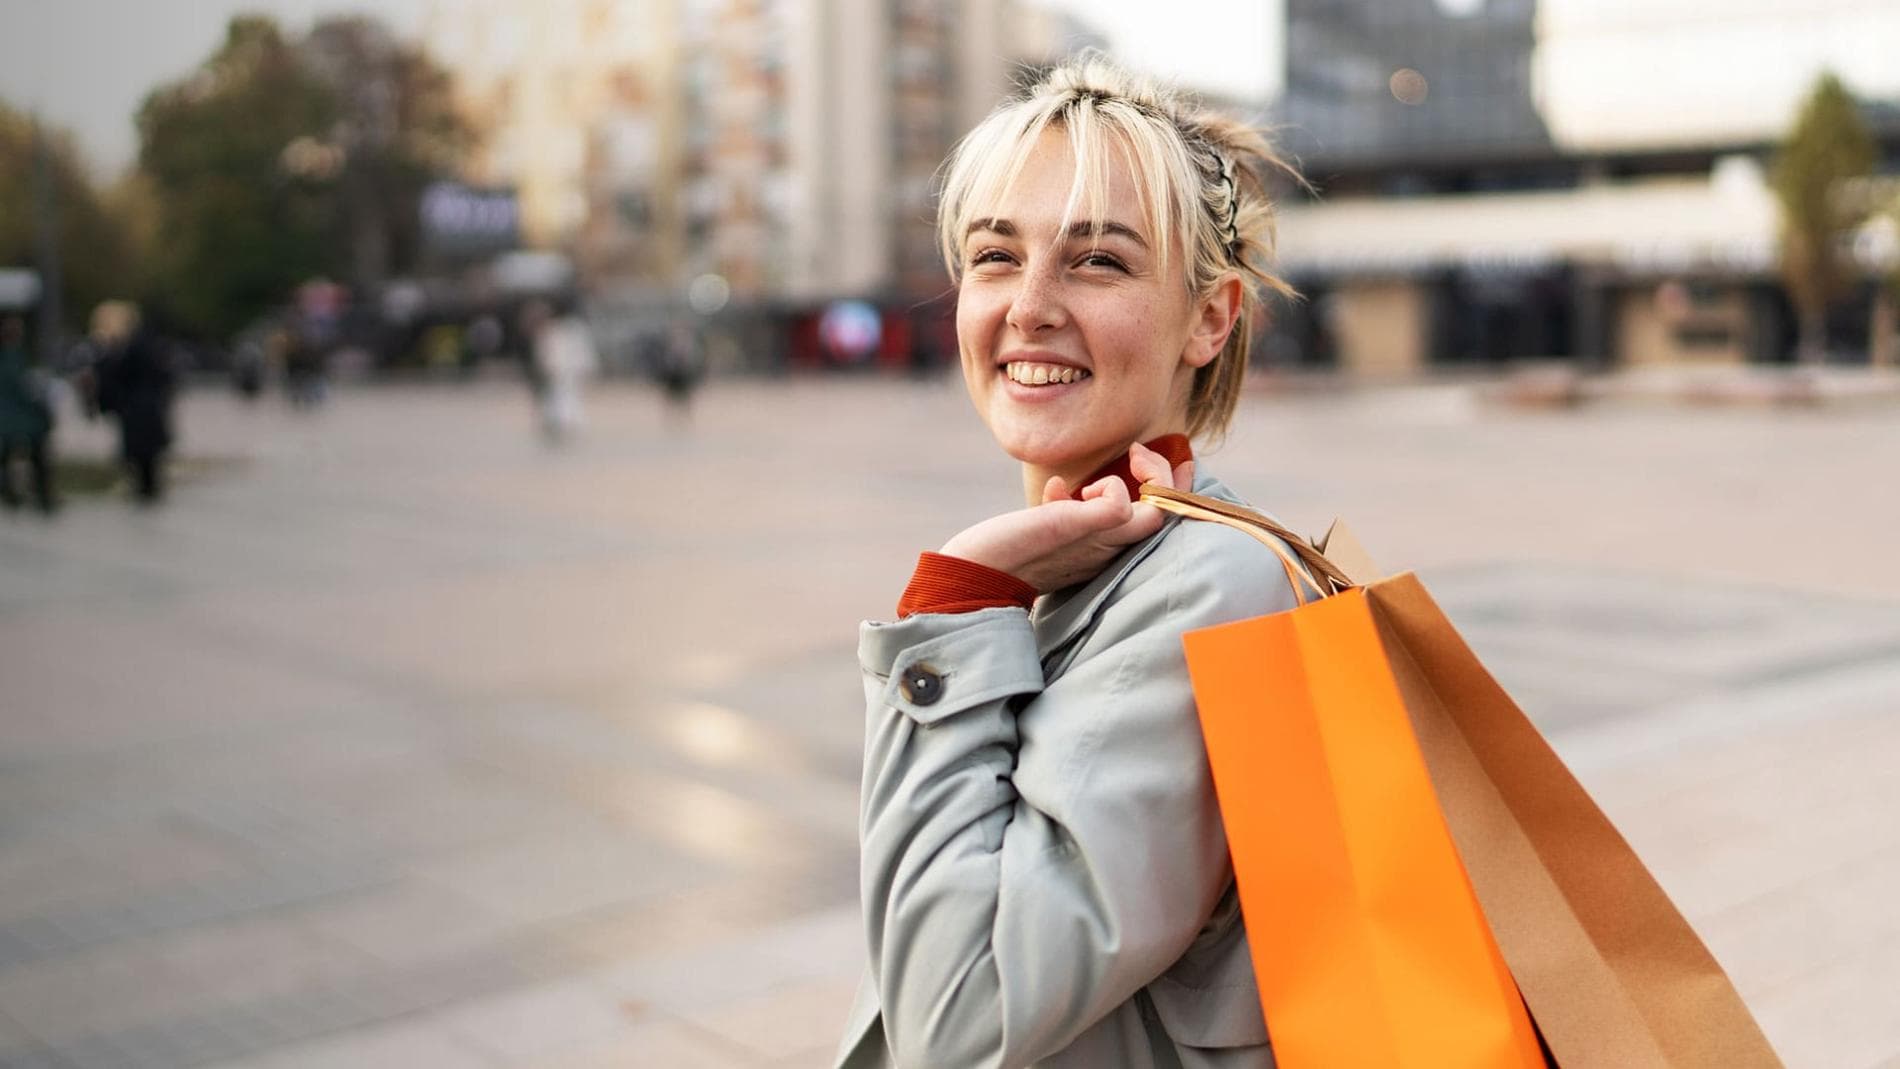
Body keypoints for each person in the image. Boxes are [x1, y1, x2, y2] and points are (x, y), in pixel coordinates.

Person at [836, 56, 1302, 1068]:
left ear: (1211, 317)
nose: (1030, 305)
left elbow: (960, 1018)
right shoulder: (1093, 571)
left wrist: (957, 605)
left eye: (1097, 262)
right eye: (995, 256)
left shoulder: (1208, 586)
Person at [92, 302, 177, 505]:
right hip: (148, 407)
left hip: (135, 408)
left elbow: (114, 376)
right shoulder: (151, 345)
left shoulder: (127, 349)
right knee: (148, 455)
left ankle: (145, 490)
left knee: (140, 454)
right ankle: (149, 489)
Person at [0, 315, 57, 514]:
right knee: (36, 453)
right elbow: (25, 389)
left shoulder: (14, 356)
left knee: (9, 457)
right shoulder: (14, 358)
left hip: (9, 420)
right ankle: (41, 496)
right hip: (19, 420)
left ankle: (14, 495)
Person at [528, 296, 598, 443]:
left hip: (567, 371)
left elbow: (578, 351)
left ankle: (565, 423)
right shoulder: (557, 330)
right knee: (559, 397)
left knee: (566, 397)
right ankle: (559, 423)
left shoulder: (566, 330)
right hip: (562, 371)